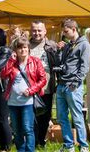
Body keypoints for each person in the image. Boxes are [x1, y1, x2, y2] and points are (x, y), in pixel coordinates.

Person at [0, 36, 47, 152]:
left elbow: (43, 79)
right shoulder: (12, 63)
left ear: (28, 49)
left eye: (25, 47)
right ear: (15, 50)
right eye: (20, 48)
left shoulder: (35, 61)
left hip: (28, 101)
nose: (23, 50)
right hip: (13, 101)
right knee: (16, 130)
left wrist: (31, 90)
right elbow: (3, 75)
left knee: (28, 128)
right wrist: (11, 60)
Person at [54, 19, 90, 152]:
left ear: (74, 29)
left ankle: (83, 146)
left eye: (66, 31)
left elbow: (85, 67)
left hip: (73, 86)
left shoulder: (84, 45)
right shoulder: (68, 45)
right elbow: (60, 63)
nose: (64, 34)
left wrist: (75, 83)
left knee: (77, 116)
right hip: (61, 85)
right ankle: (69, 145)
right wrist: (59, 51)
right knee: (62, 117)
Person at [29, 20, 58, 148]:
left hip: (47, 88)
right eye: (34, 30)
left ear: (45, 31)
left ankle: (41, 140)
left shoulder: (52, 46)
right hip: (29, 88)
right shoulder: (26, 45)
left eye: (39, 30)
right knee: (31, 116)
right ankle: (33, 141)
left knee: (45, 116)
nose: (37, 33)